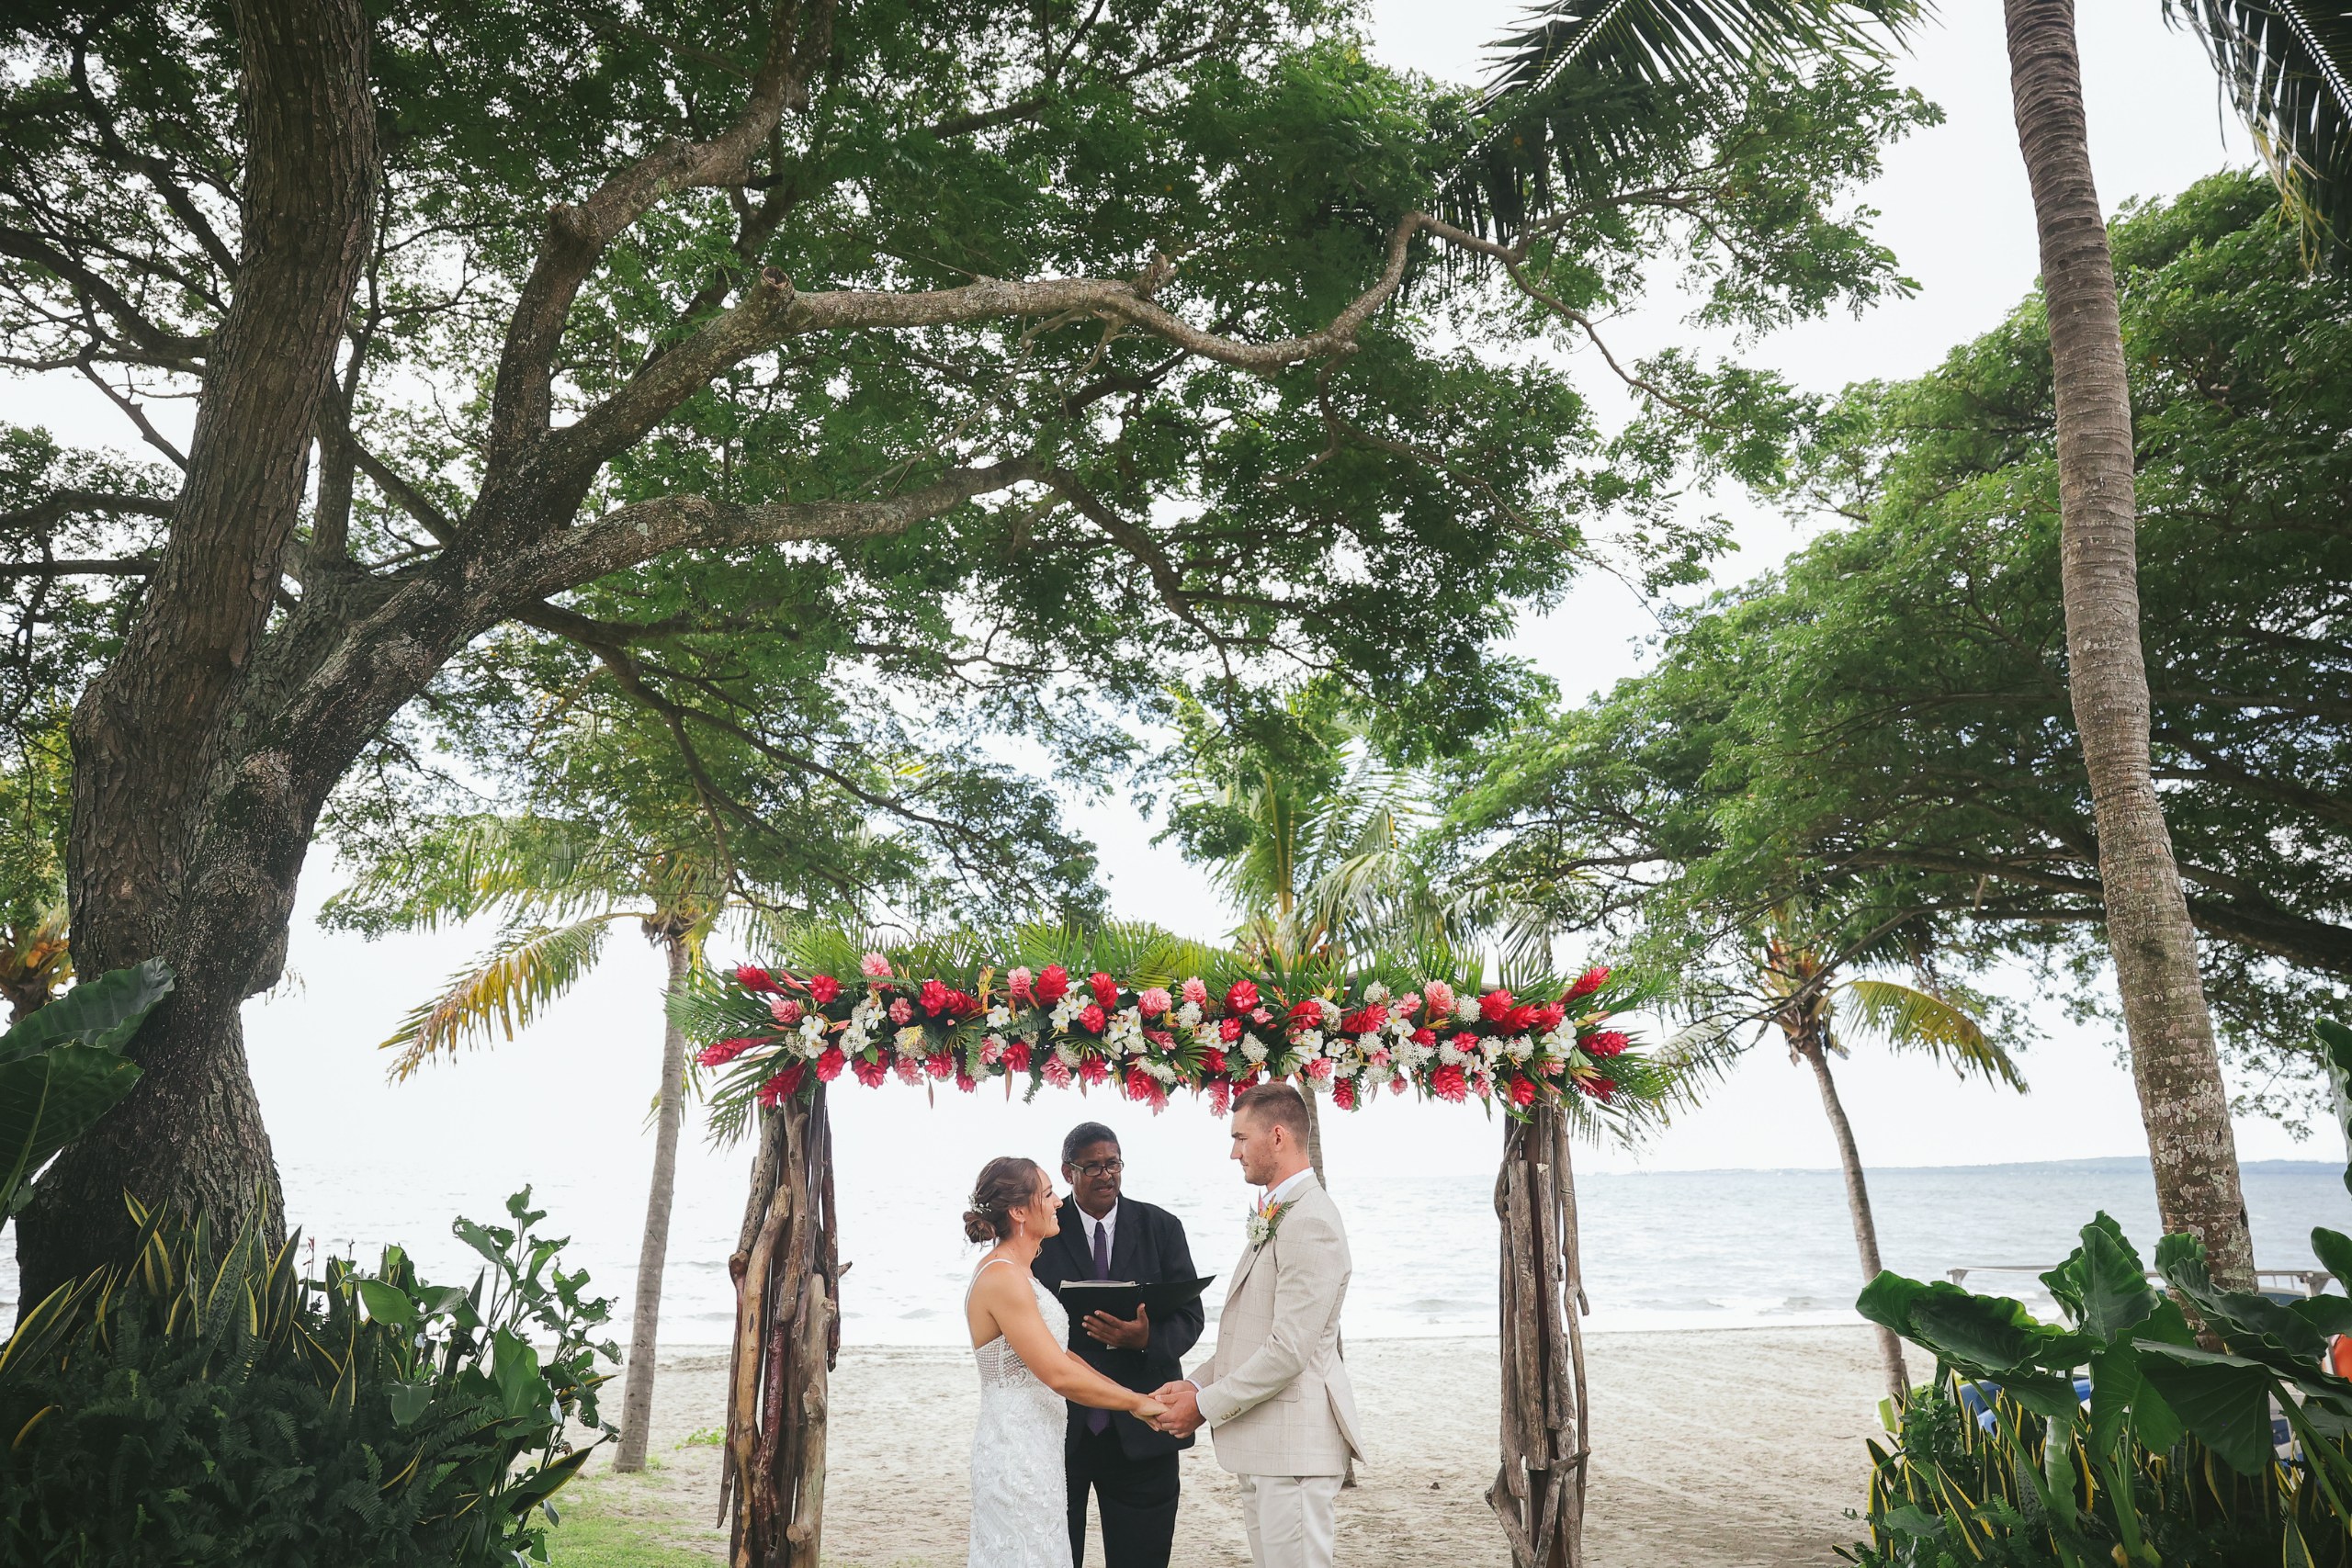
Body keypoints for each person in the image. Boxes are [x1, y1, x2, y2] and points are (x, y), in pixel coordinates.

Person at [1149, 1084, 1363, 1568]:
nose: (1233, 1152)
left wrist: (1203, 1406)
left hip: (1295, 1451)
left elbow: (1288, 1352)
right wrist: (1192, 1382)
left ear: (1279, 1136)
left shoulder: (1311, 1220)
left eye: (1241, 1138)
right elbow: (1251, 1337)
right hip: (1266, 1447)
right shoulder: (1279, 1212)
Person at [964, 1156, 1169, 1568]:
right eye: (1048, 1194)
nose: (1059, 1202)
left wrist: (1130, 1394)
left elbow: (1063, 1356)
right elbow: (1057, 1375)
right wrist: (1135, 1404)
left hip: (1040, 1449)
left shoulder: (1022, 1272)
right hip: (1016, 1453)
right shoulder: (1003, 1277)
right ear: (1019, 1211)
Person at [1029, 1122, 1205, 1568]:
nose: (1107, 1175)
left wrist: (1146, 1340)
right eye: (1093, 1167)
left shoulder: (1161, 1227)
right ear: (1068, 1173)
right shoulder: (1041, 1232)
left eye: (1114, 1164)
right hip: (1061, 1429)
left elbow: (1190, 1317)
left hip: (1143, 1430)